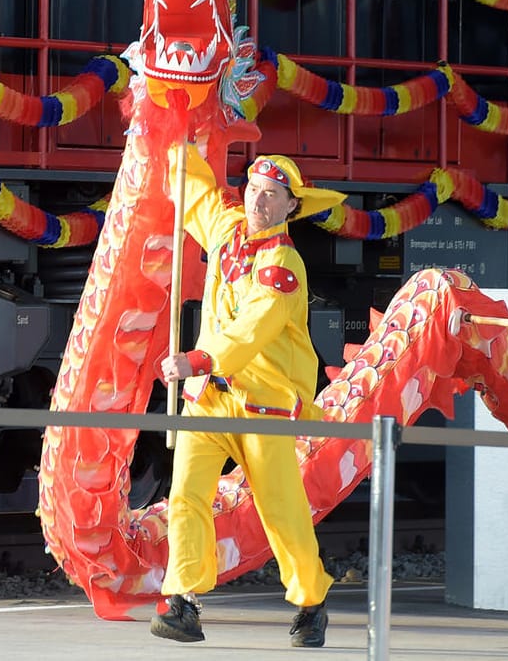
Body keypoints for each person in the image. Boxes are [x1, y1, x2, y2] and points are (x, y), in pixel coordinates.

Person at [150, 148, 344, 647]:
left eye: (271, 194)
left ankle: (310, 601)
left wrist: (199, 359)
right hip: (211, 399)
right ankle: (182, 601)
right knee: (186, 494)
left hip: (264, 405)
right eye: (255, 189)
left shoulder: (285, 264)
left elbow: (252, 328)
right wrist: (176, 141)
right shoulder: (227, 228)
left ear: (289, 207)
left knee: (281, 511)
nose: (259, 200)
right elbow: (194, 197)